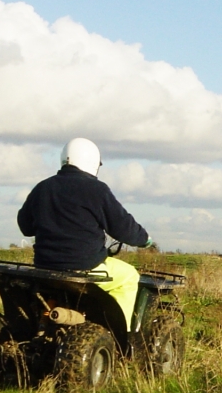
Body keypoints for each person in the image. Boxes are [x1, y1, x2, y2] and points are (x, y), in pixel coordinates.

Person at [17, 137, 153, 329]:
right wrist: (144, 239)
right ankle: (119, 337)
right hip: (85, 266)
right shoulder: (97, 189)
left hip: (44, 267)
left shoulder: (43, 187)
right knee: (129, 276)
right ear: (93, 163)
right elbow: (123, 227)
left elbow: (25, 227)